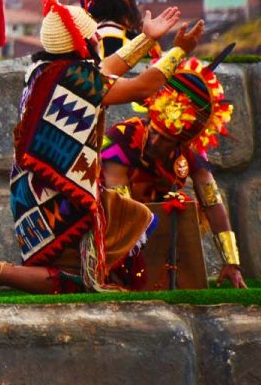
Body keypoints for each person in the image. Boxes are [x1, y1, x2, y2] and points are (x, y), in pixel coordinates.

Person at [0, 0, 204, 297]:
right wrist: (178, 51)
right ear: (83, 44)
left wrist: (146, 39)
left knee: (126, 222)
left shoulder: (44, 70)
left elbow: (109, 68)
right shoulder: (74, 77)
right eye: (93, 38)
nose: (98, 41)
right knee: (79, 278)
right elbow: (140, 87)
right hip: (57, 196)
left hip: (36, 191)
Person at [101, 57, 245, 290]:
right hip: (111, 225)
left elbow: (212, 203)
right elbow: (119, 209)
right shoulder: (121, 137)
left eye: (165, 139)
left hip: (152, 226)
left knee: (182, 207)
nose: (155, 141)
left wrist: (232, 262)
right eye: (154, 131)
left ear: (181, 141)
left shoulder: (190, 151)